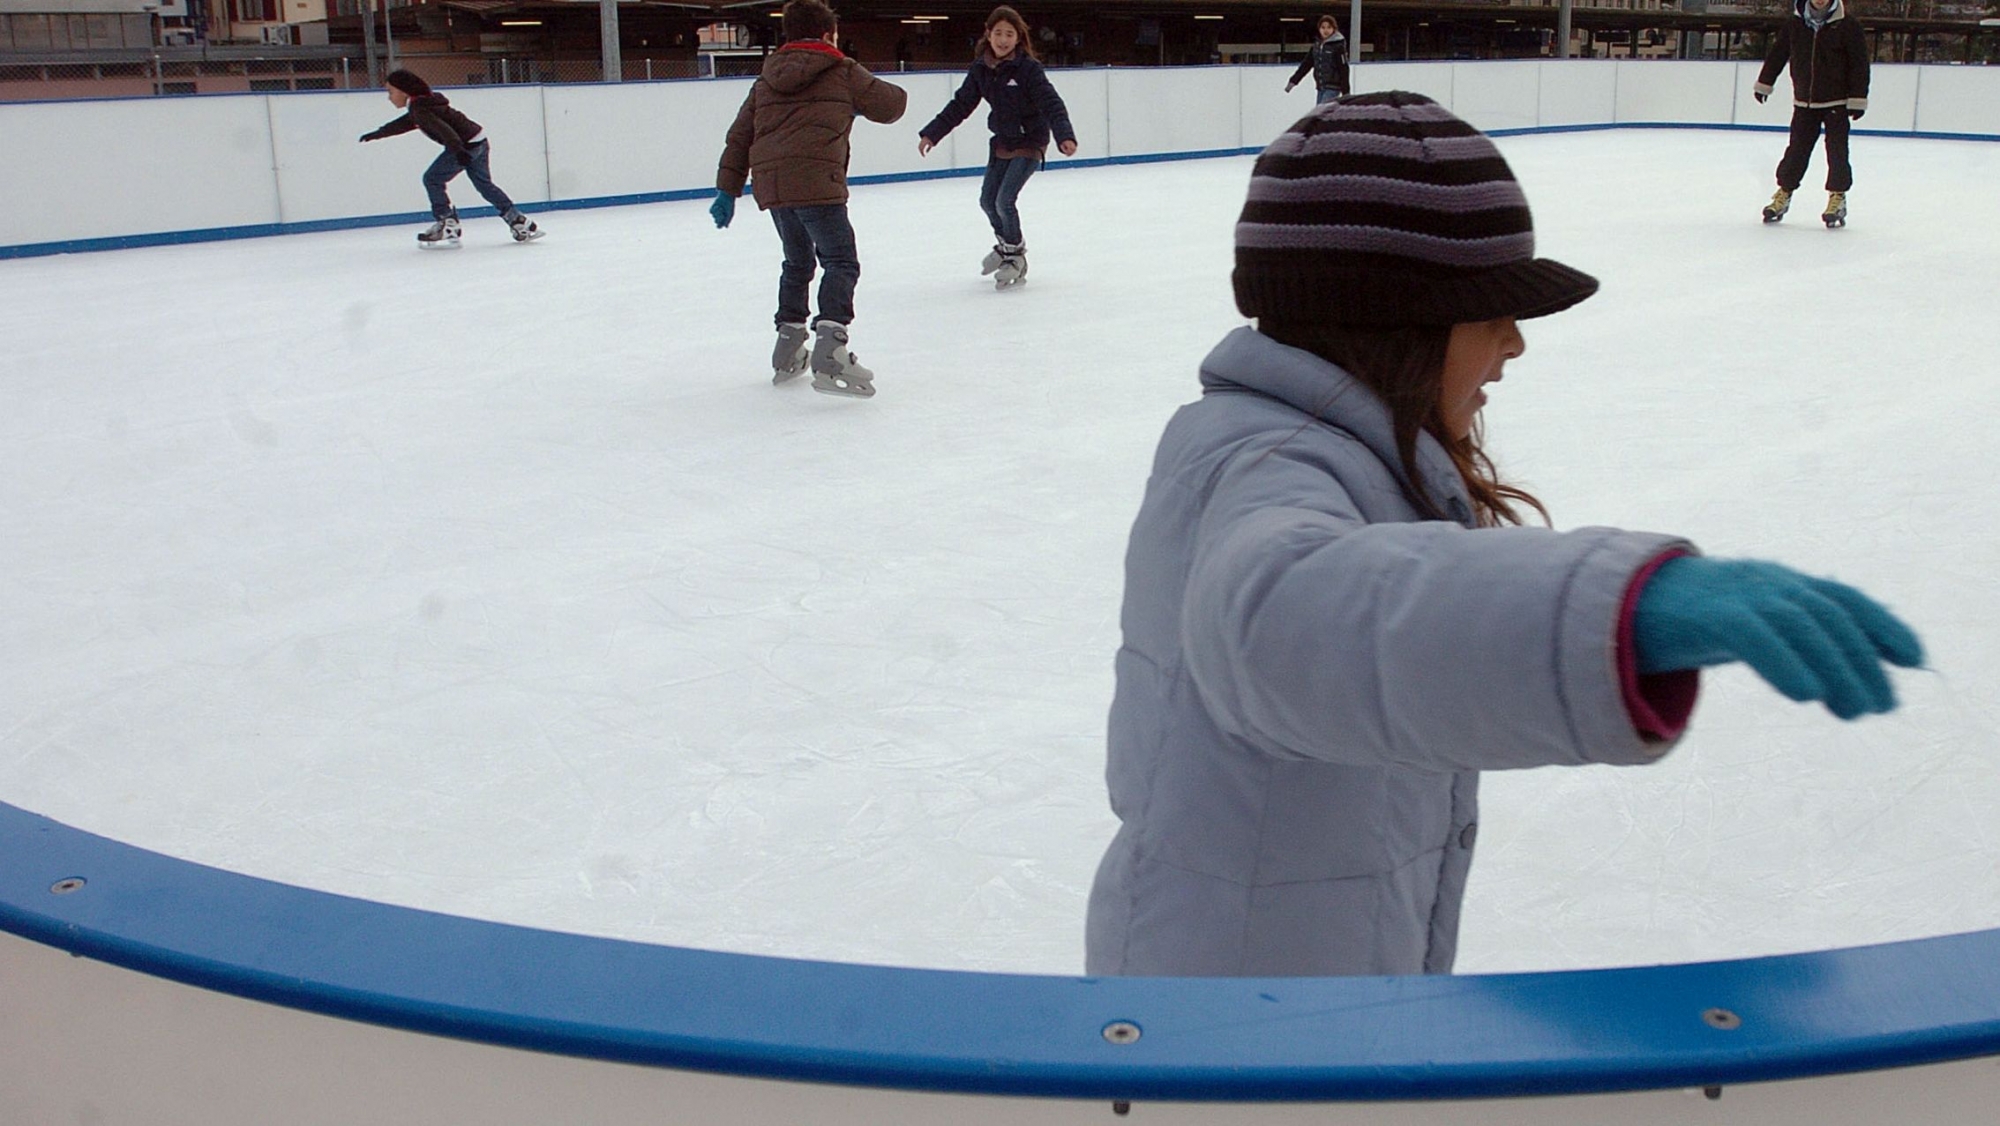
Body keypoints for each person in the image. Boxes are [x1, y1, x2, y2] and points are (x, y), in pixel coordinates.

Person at [1083, 92, 1923, 979]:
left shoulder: (1308, 448)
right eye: (1491, 314)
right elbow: (1279, 620)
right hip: (1236, 1035)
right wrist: (1619, 613)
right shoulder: (1270, 462)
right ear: (1396, 321)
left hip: (1276, 992)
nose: (1514, 346)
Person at [712, 0, 907, 398]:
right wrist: (854, 82)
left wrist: (727, 189)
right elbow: (892, 105)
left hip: (773, 186)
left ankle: (787, 345)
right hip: (817, 180)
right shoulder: (841, 70)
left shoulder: (766, 78)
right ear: (828, 34)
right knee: (840, 260)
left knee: (797, 261)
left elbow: (740, 135)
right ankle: (831, 349)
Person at [916, 6, 1078, 289]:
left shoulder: (1028, 69)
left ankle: (1016, 256)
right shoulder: (981, 69)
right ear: (988, 34)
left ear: (1018, 38)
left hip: (1030, 141)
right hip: (1003, 141)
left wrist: (1065, 135)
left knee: (1005, 200)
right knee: (987, 201)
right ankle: (1006, 246)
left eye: (1010, 34)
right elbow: (961, 105)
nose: (1003, 40)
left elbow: (1052, 103)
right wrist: (932, 134)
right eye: (999, 33)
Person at [359, 69, 542, 247]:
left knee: (432, 179)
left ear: (403, 90)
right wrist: (378, 133)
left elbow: (444, 130)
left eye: (390, 91)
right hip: (478, 139)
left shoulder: (419, 108)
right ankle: (517, 220)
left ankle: (446, 222)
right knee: (484, 185)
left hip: (465, 146)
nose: (389, 97)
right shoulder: (421, 105)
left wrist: (458, 151)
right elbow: (405, 123)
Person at [1753, 0, 1869, 227]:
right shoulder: (1796, 24)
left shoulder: (1847, 25)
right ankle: (1784, 193)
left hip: (1837, 101)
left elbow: (1859, 63)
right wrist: (1765, 82)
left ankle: (1837, 197)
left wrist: (1857, 98)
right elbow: (1779, 54)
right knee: (1796, 151)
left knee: (1837, 152)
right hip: (1805, 102)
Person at [1284, 15, 1349, 105]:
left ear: (1334, 28)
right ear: (1319, 29)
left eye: (1329, 27)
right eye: (1323, 27)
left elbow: (1344, 68)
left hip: (1333, 87)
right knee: (1320, 113)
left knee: (1321, 112)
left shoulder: (1338, 46)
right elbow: (1306, 65)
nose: (1325, 30)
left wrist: (1346, 92)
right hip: (1321, 87)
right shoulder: (1316, 46)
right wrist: (1293, 81)